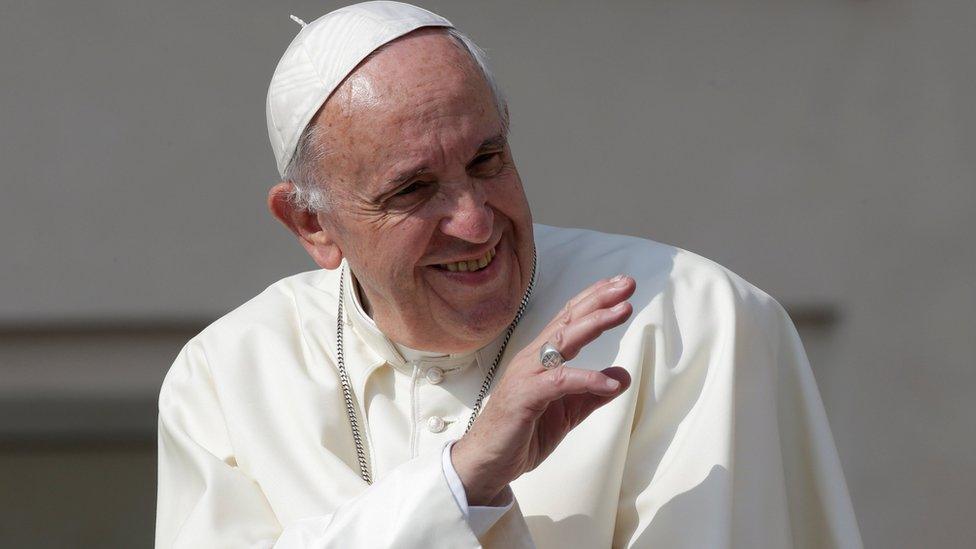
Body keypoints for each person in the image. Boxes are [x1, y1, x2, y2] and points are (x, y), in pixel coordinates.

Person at [155, 2, 862, 547]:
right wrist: (460, 482)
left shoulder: (689, 321)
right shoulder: (223, 376)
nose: (475, 221)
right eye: (413, 190)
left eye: (487, 161)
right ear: (312, 224)